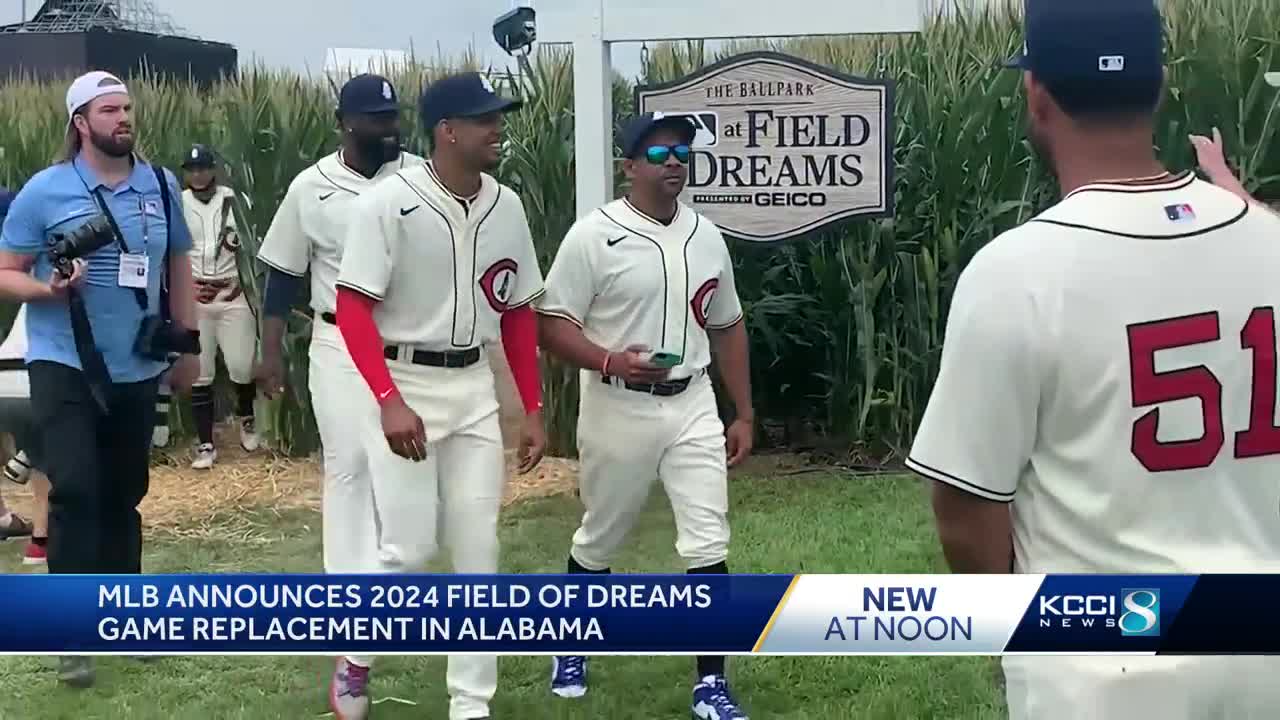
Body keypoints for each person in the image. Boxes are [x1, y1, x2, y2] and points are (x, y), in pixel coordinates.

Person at [906, 1, 1280, 718]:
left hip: (1103, 677)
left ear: (1035, 94)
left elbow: (965, 508)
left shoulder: (1014, 271)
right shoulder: (1268, 244)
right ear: (1160, 85)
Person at [331, 70, 545, 720]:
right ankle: (354, 654)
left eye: (498, 118)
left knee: (480, 551)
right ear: (448, 130)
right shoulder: (386, 202)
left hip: (472, 387)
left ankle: (471, 705)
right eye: (485, 120)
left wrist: (532, 408)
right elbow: (351, 307)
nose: (497, 129)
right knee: (410, 551)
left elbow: (517, 311)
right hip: (404, 382)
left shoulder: (505, 205)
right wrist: (389, 398)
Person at [536, 112, 755, 720]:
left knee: (708, 540)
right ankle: (571, 643)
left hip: (692, 401)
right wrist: (610, 360)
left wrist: (744, 411)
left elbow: (728, 323)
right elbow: (550, 325)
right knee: (601, 535)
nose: (675, 163)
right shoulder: (594, 235)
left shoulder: (706, 235)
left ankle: (711, 682)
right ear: (629, 167)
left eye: (682, 152)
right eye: (659, 155)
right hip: (617, 403)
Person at [0, 70, 198, 687]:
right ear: (80, 123)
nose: (123, 118)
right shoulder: (46, 190)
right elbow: (6, 270)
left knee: (123, 492)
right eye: (108, 110)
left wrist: (187, 348)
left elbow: (177, 268)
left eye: (127, 108)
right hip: (64, 363)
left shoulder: (161, 186)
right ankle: (70, 632)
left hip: (137, 364)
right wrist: (47, 289)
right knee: (77, 489)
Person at [252, 73, 422, 717]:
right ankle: (353, 645)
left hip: (411, 349)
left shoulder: (422, 178)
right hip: (336, 350)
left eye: (393, 117)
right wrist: (270, 354)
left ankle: (372, 611)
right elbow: (282, 277)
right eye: (374, 119)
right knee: (350, 481)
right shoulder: (311, 186)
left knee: (405, 496)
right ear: (342, 122)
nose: (389, 128)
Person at [181, 143, 260, 468]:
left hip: (232, 293)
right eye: (192, 169)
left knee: (242, 365)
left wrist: (245, 283)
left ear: (213, 169)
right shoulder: (178, 202)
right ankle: (205, 443)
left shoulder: (234, 199)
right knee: (201, 372)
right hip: (195, 296)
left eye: (203, 168)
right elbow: (169, 250)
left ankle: (247, 417)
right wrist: (185, 287)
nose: (198, 174)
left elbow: (254, 245)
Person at [0, 302, 52, 566]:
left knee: (33, 439)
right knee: (48, 453)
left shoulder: (32, 292)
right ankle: (40, 541)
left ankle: (2, 518)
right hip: (33, 376)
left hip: (2, 375)